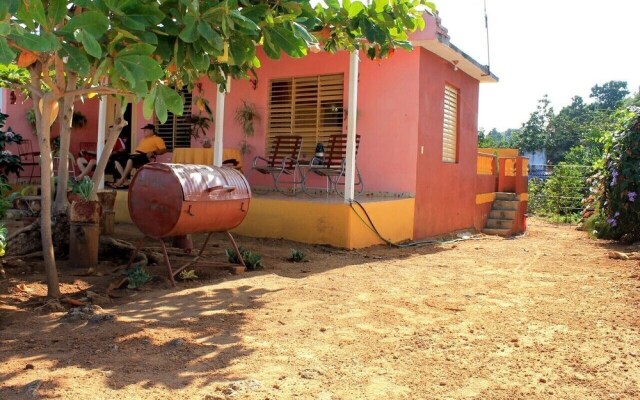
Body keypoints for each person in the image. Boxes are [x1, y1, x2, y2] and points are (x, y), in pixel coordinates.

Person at [110, 124, 166, 188]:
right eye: (144, 130)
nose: (144, 131)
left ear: (151, 130)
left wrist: (153, 152)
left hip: (145, 156)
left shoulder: (157, 139)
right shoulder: (144, 139)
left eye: (146, 130)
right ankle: (126, 181)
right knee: (117, 161)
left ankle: (120, 181)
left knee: (130, 160)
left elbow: (163, 150)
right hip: (136, 155)